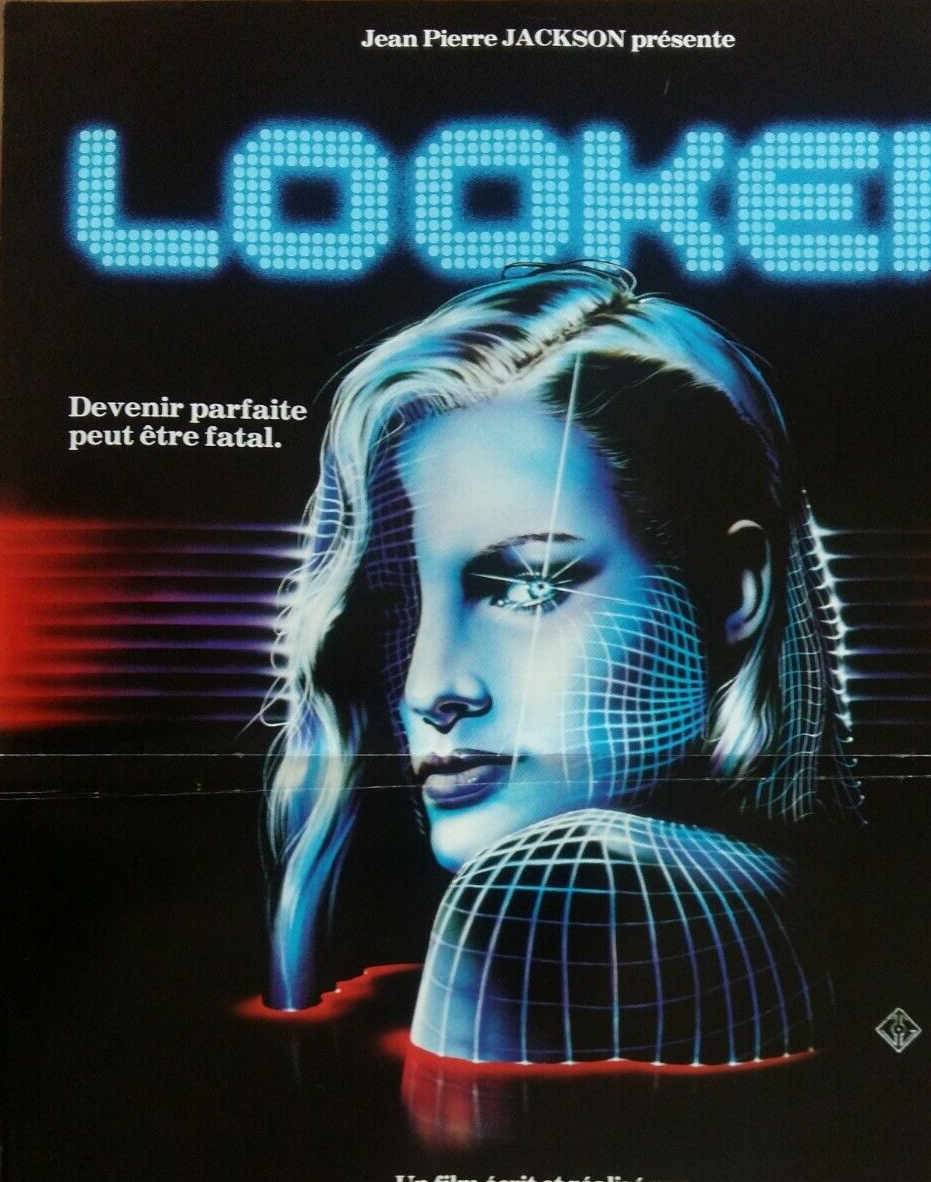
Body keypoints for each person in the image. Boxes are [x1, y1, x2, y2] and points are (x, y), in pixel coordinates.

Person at [264, 267, 860, 1067]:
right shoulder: (863, 936)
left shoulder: (528, 901)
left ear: (733, 590)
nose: (430, 688)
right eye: (394, 605)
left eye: (529, 585)